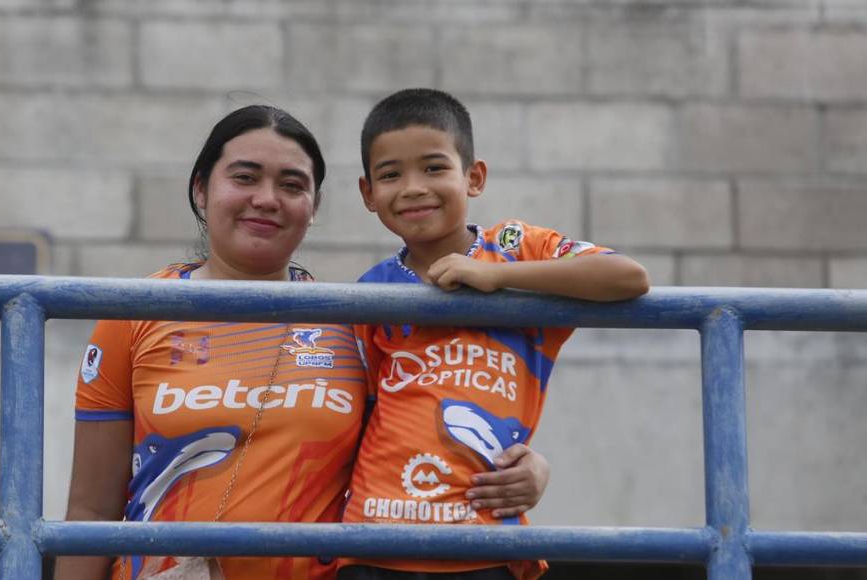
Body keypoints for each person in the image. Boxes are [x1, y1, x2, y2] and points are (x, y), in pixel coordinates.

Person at [55, 104, 554, 580]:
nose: (267, 199)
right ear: (202, 190)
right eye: (245, 177)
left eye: (292, 185)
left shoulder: (355, 320)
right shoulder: (136, 313)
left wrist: (526, 464)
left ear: (313, 208)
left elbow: (424, 424)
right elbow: (90, 509)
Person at [339, 89, 650, 580]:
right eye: (391, 174)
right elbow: (364, 413)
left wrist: (500, 278)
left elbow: (627, 276)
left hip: (484, 538)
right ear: (367, 193)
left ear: (474, 177)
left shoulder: (516, 249)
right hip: (373, 542)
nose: (413, 187)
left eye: (434, 168)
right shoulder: (370, 291)